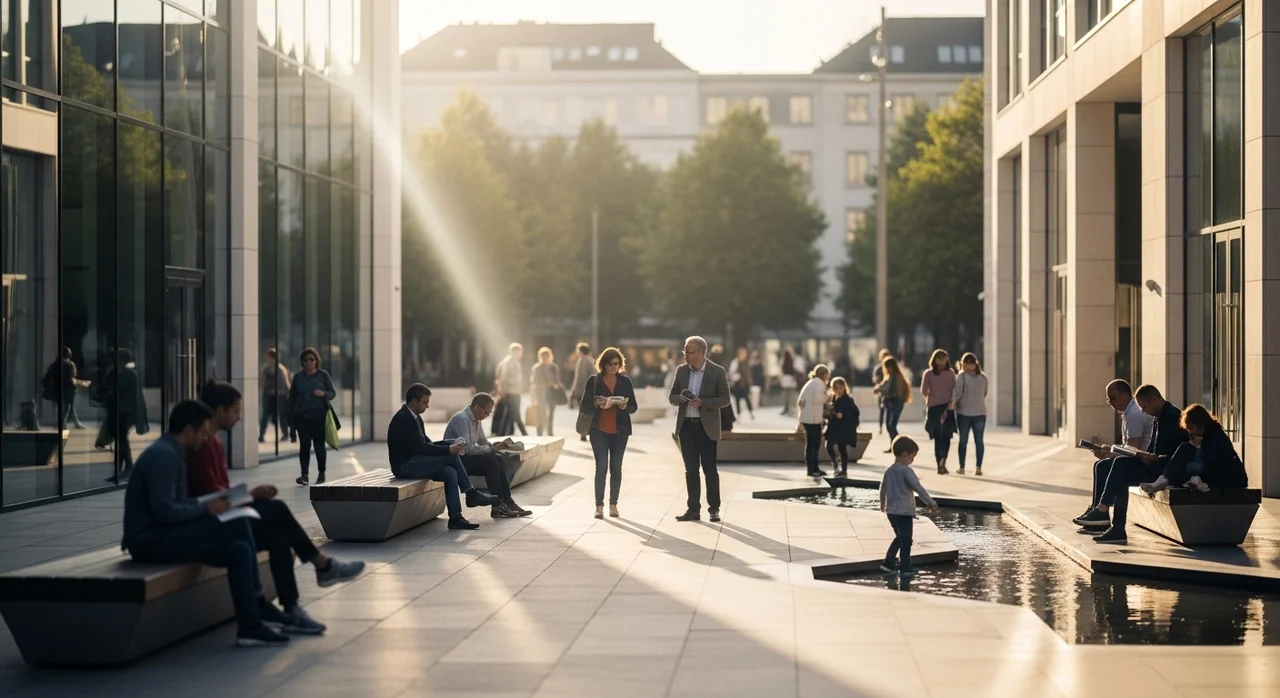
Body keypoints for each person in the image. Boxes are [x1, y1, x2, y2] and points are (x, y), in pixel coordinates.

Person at [189, 382, 364, 635]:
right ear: (218, 411)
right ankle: (322, 565)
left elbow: (221, 492)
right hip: (214, 524)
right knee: (278, 509)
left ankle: (292, 606)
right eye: (236, 411)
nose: (239, 418)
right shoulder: (203, 445)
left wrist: (249, 496)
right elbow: (212, 498)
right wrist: (250, 495)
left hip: (226, 516)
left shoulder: (214, 443)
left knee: (279, 535)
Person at [122, 400, 293, 647]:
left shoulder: (174, 453)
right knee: (238, 522)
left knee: (240, 550)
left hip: (166, 533)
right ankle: (259, 604)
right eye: (203, 432)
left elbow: (176, 506)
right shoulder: (162, 457)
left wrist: (210, 504)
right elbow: (164, 512)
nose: (205, 438)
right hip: (149, 540)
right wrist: (206, 508)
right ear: (189, 430)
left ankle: (250, 626)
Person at [388, 383, 498, 530]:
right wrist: (448, 450)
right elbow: (420, 448)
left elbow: (426, 442)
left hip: (416, 460)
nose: (427, 406)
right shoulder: (403, 419)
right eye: (425, 402)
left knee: (450, 473)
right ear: (414, 401)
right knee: (451, 457)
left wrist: (449, 443)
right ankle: (470, 492)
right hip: (405, 465)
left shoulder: (415, 417)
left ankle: (456, 518)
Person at [1071, 379, 1158, 544]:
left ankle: (1103, 515)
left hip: (1145, 462)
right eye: (1108, 399)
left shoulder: (1133, 415)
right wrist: (1109, 451)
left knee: (1115, 468)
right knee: (1102, 465)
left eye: (1113, 398)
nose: (1110, 402)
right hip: (1138, 459)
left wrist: (1110, 453)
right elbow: (1129, 449)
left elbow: (1132, 451)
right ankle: (1098, 514)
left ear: (1126, 394)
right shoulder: (1127, 413)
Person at [668, 336, 731, 523]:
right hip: (686, 426)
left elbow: (725, 399)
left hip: (707, 427)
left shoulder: (717, 371)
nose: (686, 355)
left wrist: (703, 403)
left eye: (690, 352)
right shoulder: (681, 371)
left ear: (702, 352)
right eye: (685, 351)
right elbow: (671, 396)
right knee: (691, 470)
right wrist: (679, 398)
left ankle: (714, 509)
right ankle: (693, 509)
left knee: (710, 469)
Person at [442, 392, 533, 519]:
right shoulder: (462, 419)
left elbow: (483, 442)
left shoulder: (476, 420)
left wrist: (500, 448)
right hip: (457, 459)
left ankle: (507, 503)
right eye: (486, 412)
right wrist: (493, 448)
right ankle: (499, 505)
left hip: (467, 457)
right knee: (490, 463)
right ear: (478, 407)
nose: (487, 416)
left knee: (499, 459)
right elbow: (467, 449)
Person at [578, 347, 639, 519]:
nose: (614, 367)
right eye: (611, 364)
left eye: (617, 364)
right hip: (599, 430)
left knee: (616, 468)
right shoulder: (594, 381)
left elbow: (634, 407)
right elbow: (583, 404)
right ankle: (599, 506)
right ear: (603, 364)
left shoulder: (625, 381)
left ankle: (613, 505)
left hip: (620, 432)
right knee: (602, 467)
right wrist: (597, 403)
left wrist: (625, 406)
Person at [1142, 404, 1247, 494]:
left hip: (1227, 476)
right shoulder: (1207, 435)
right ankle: (1165, 480)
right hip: (1215, 472)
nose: (1190, 432)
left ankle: (1165, 480)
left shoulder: (1216, 437)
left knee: (1187, 462)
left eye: (1191, 428)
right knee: (1185, 451)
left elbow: (1211, 463)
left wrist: (1193, 449)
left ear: (1200, 425)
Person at [879, 436, 939, 576]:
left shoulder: (889, 471)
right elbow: (918, 487)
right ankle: (905, 567)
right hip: (904, 512)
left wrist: (883, 503)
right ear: (905, 454)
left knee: (900, 538)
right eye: (913, 456)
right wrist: (931, 502)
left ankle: (888, 563)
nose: (913, 460)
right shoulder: (906, 471)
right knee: (906, 540)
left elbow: (883, 488)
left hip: (892, 512)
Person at [287, 347, 336, 486]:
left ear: (316, 361)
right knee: (304, 446)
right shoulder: (298, 377)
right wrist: (289, 419)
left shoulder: (323, 375)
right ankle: (304, 475)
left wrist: (323, 394)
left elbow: (332, 393)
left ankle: (321, 473)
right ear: (302, 363)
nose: (309, 362)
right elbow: (292, 399)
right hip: (302, 418)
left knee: (319, 446)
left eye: (311, 360)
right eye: (306, 360)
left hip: (319, 417)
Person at [104, 348, 148, 482]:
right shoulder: (114, 373)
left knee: (121, 439)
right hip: (115, 410)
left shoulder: (129, 374)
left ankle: (127, 467)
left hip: (126, 411)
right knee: (120, 440)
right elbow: (106, 388)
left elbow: (118, 390)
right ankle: (122, 469)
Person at [920, 349, 957, 475]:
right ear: (934, 359)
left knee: (946, 436)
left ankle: (943, 461)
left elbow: (955, 389)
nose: (941, 361)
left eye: (943, 358)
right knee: (938, 437)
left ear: (947, 359)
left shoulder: (951, 373)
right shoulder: (929, 374)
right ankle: (939, 464)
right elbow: (924, 391)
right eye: (939, 358)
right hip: (934, 408)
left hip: (947, 407)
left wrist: (951, 402)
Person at [952, 352, 989, 476]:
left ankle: (962, 467)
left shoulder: (962, 376)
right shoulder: (983, 377)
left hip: (964, 413)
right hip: (980, 413)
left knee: (963, 441)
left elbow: (957, 394)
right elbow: (985, 393)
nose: (968, 367)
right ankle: (978, 467)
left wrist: (952, 405)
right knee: (979, 441)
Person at [797, 364, 831, 477]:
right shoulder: (819, 384)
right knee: (814, 444)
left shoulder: (810, 382)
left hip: (807, 418)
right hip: (812, 419)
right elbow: (818, 399)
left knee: (810, 444)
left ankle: (811, 468)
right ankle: (813, 469)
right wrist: (828, 396)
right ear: (824, 374)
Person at [42, 347, 89, 429]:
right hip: (69, 388)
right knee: (68, 407)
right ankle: (64, 423)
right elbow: (72, 377)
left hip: (58, 388)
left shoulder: (55, 364)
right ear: (69, 354)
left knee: (69, 407)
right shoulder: (70, 364)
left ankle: (75, 422)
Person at [874, 356, 910, 450]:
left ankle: (899, 446)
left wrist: (880, 390)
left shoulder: (896, 378)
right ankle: (894, 446)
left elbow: (891, 390)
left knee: (892, 425)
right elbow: (883, 386)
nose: (887, 369)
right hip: (890, 403)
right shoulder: (889, 377)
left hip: (895, 402)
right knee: (889, 426)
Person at [825, 377, 859, 476]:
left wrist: (843, 415)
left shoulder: (848, 399)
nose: (838, 390)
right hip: (833, 426)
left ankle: (844, 469)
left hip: (843, 427)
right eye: (835, 388)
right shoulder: (832, 398)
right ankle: (835, 465)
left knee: (842, 448)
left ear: (844, 387)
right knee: (829, 445)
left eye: (840, 387)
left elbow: (855, 412)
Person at [493, 343, 528, 437]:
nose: (520, 354)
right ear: (513, 352)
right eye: (519, 352)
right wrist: (501, 390)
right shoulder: (508, 363)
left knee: (510, 415)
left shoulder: (516, 363)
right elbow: (502, 378)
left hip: (516, 391)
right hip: (511, 392)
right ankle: (525, 434)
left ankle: (502, 434)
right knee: (515, 414)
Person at [259, 348, 291, 443]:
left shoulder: (280, 369)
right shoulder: (266, 368)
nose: (266, 358)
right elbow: (262, 382)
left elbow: (284, 384)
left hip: (279, 395)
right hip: (269, 395)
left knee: (281, 415)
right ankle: (261, 435)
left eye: (268, 356)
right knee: (265, 415)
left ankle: (285, 433)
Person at [531, 347, 564, 437]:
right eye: (543, 356)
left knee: (551, 413)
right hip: (540, 393)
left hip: (551, 393)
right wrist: (533, 397)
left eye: (547, 355)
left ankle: (549, 431)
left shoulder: (553, 367)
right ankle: (540, 432)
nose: (545, 357)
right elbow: (534, 382)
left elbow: (557, 381)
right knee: (541, 413)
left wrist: (552, 381)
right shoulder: (537, 368)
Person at [568, 342, 597, 442]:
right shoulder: (591, 360)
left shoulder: (582, 361)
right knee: (590, 412)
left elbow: (580, 378)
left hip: (584, 390)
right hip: (593, 390)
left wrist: (575, 391)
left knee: (583, 413)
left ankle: (583, 433)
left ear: (580, 351)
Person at [728, 347, 755, 420]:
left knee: (747, 399)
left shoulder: (746, 363)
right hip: (737, 384)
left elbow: (748, 374)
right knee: (737, 400)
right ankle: (738, 414)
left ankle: (751, 413)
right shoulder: (736, 362)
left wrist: (749, 382)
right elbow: (731, 373)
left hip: (745, 384)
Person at [871, 349, 891, 434]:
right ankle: (881, 427)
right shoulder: (879, 368)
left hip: (889, 392)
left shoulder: (891, 368)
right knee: (882, 410)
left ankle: (889, 426)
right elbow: (875, 379)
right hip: (881, 392)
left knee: (889, 410)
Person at [778, 349, 800, 416]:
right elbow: (794, 370)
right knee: (791, 394)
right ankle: (790, 408)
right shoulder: (792, 361)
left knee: (786, 395)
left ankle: (787, 408)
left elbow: (781, 370)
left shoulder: (783, 361)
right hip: (790, 379)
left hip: (785, 379)